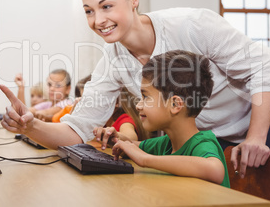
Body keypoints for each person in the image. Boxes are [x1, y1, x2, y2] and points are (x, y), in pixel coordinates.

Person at [0, 0, 270, 178]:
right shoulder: (114, 61)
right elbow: (76, 129)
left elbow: (262, 70)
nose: (99, 20)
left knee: (266, 194)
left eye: (107, 6)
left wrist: (255, 137)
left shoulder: (190, 25)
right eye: (89, 11)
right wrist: (32, 125)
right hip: (215, 125)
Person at [94, 50, 229, 187]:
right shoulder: (167, 143)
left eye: (146, 97)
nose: (139, 105)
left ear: (175, 104)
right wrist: (116, 139)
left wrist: (146, 159)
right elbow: (135, 146)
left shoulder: (202, 143)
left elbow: (215, 170)